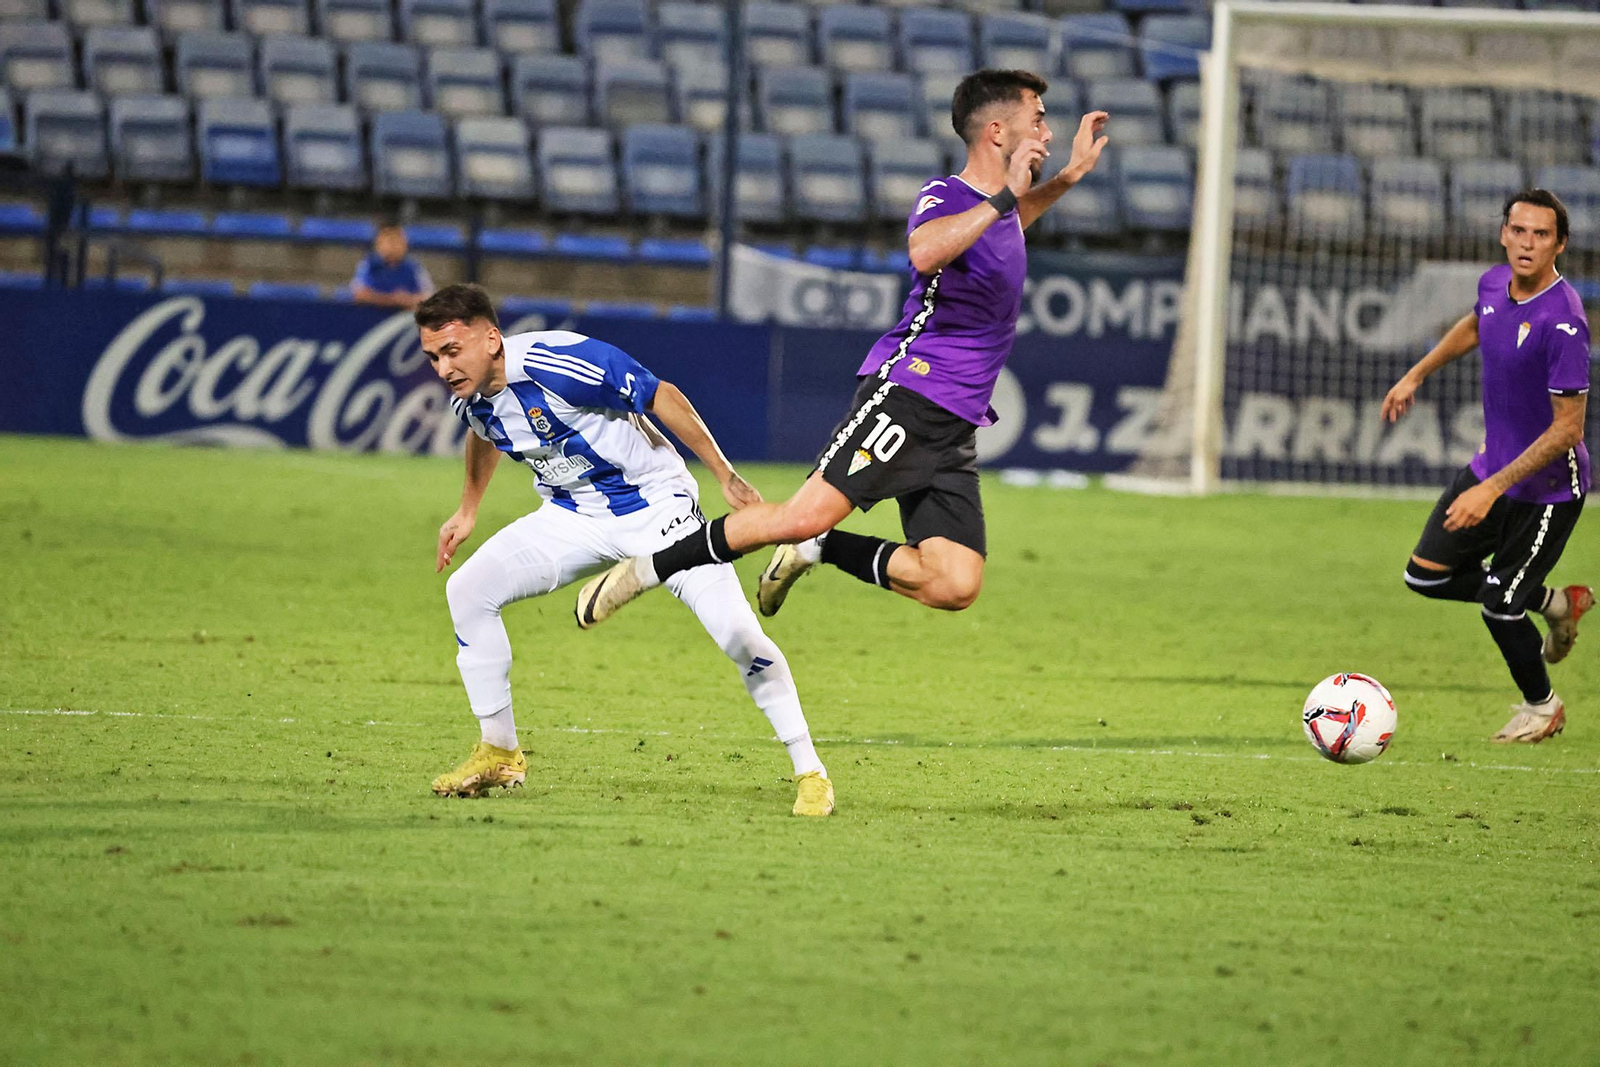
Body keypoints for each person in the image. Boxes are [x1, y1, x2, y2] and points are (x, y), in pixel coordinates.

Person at [572, 70, 1109, 629]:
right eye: (1038, 117)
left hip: (955, 418)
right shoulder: (946, 194)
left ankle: (821, 549)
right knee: (797, 516)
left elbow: (1007, 223)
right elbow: (926, 252)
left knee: (954, 583)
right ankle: (643, 571)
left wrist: (1067, 177)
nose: (1048, 129)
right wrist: (1004, 196)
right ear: (997, 131)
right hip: (912, 391)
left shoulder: (997, 212)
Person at [418, 284, 833, 816]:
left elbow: (661, 395)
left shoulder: (559, 361)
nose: (444, 368)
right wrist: (469, 506)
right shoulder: (468, 395)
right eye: (433, 357)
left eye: (452, 351)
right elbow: (487, 430)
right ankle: (500, 751)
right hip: (572, 517)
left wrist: (724, 475)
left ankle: (811, 772)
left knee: (737, 634)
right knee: (468, 591)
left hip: (658, 511)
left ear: (492, 339)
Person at [1382, 189, 1592, 743]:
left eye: (1541, 235)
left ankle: (1542, 707)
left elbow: (1568, 429)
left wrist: (1490, 490)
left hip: (1546, 491)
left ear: (1560, 245)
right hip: (1492, 469)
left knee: (1500, 606)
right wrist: (1416, 374)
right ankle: (1553, 602)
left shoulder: (1565, 322)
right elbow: (1475, 325)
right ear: (1504, 234)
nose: (1527, 244)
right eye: (1519, 231)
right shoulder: (1493, 284)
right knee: (1424, 576)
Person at [351, 223, 433, 309]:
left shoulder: (413, 267)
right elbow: (358, 293)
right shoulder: (369, 265)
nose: (394, 246)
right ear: (378, 244)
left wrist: (407, 300)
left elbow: (428, 297)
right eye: (390, 241)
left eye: (398, 241)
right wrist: (390, 300)